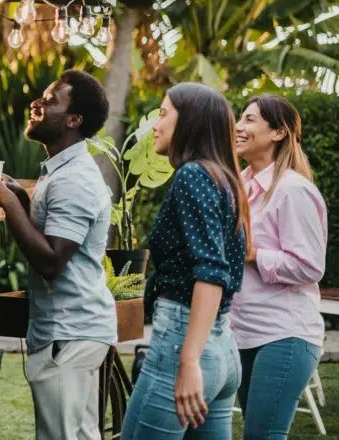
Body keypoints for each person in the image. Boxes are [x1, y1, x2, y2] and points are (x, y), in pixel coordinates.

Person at [0, 69, 116, 440]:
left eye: (50, 101)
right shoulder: (61, 171)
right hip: (75, 331)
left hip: (69, 334)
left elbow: (52, 260)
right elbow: (52, 235)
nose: (37, 104)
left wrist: (7, 202)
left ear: (73, 120)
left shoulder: (73, 179)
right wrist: (21, 197)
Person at [121, 82, 250, 440]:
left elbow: (212, 274)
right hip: (222, 349)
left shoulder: (193, 175)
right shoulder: (225, 179)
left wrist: (189, 360)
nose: (155, 125)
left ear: (189, 122)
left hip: (185, 344)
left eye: (163, 114)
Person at [231, 94, 327, 440]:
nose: (238, 127)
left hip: (284, 334)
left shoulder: (292, 190)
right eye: (240, 118)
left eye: (250, 119)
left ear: (278, 132)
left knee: (263, 435)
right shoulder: (240, 185)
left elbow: (310, 266)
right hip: (243, 332)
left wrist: (253, 254)